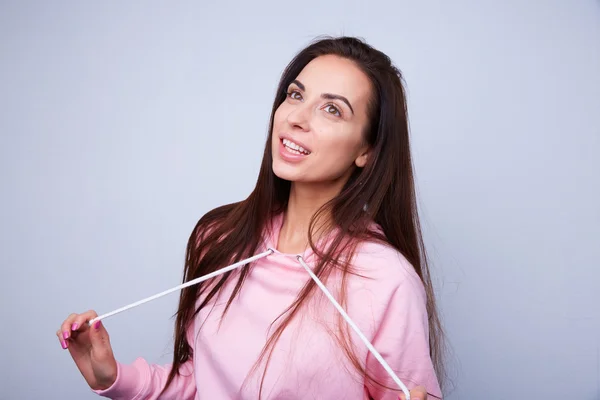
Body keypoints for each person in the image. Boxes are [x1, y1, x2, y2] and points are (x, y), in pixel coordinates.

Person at [57, 36, 445, 400]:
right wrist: (115, 379)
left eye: (331, 109)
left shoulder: (384, 279)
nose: (297, 117)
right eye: (295, 95)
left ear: (367, 151)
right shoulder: (218, 238)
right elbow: (201, 381)